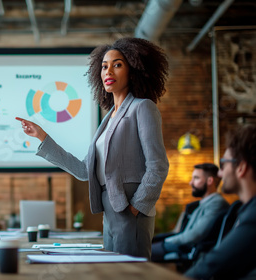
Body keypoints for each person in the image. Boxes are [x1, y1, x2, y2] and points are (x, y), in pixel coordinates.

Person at [16, 37, 169, 258]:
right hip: (110, 208)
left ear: (134, 70)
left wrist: (137, 207)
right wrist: (42, 136)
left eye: (117, 64)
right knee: (112, 272)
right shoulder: (107, 119)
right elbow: (82, 170)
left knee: (129, 273)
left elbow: (158, 165)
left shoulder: (142, 107)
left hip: (130, 208)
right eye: (104, 66)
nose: (109, 71)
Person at [185, 125, 256, 279]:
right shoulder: (244, 209)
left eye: (223, 164)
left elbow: (214, 263)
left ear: (241, 168)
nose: (219, 173)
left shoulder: (253, 215)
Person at [151, 163, 229, 261]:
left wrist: (166, 241)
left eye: (196, 178)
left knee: (143, 252)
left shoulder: (216, 203)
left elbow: (194, 235)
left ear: (210, 181)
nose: (190, 183)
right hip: (184, 245)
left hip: (189, 248)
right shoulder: (202, 203)